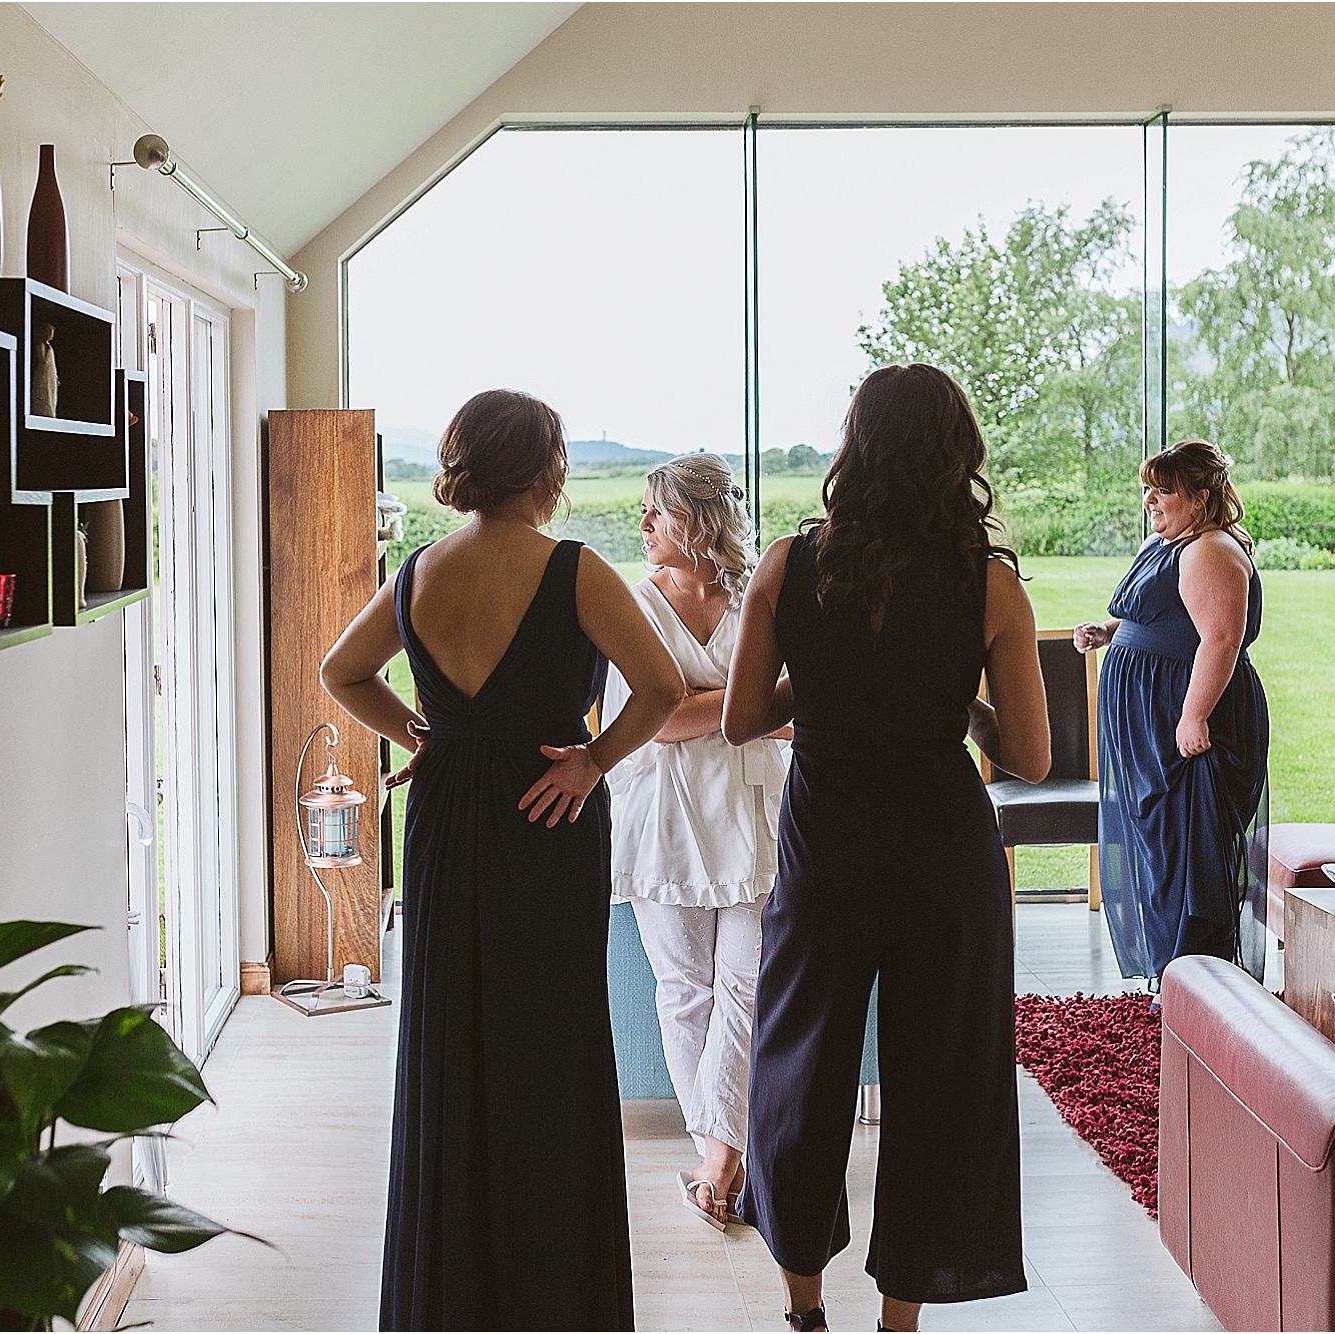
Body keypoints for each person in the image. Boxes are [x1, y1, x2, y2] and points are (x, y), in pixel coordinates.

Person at [321, 389, 684, 1331]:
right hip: (547, 818)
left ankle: (452, 1299)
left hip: (446, 817)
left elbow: (339, 671)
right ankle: (552, 1298)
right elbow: (661, 688)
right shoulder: (574, 569)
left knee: (451, 1040)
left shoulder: (421, 571)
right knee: (551, 1046)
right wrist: (593, 762)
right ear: (544, 468)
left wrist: (426, 735)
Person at [723, 363, 1049, 1334]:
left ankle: (803, 1307)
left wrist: (826, 689)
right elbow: (1029, 756)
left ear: (853, 446)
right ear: (957, 455)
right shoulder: (989, 583)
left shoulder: (788, 563)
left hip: (826, 847)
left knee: (798, 1069)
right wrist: (959, 702)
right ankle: (899, 1320)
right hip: (942, 854)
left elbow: (741, 717)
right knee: (942, 1083)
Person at [600, 453, 787, 1229]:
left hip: (753, 815)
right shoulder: (633, 605)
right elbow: (657, 721)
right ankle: (722, 1158)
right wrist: (747, 704)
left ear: (701, 521)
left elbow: (794, 709)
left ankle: (716, 1161)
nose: (642, 524)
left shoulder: (759, 596)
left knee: (748, 985)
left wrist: (704, 702)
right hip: (664, 822)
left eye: (657, 510)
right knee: (684, 992)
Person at [1075, 439, 1270, 989]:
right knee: (1159, 845)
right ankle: (1174, 979)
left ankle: (1197, 983)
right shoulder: (1165, 544)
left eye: (1163, 491)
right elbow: (1163, 613)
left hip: (1187, 721)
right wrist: (1108, 631)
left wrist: (1193, 715)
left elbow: (1222, 638)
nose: (1149, 501)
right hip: (1152, 721)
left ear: (1201, 497)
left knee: (1189, 851)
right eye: (1148, 490)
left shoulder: (1212, 550)